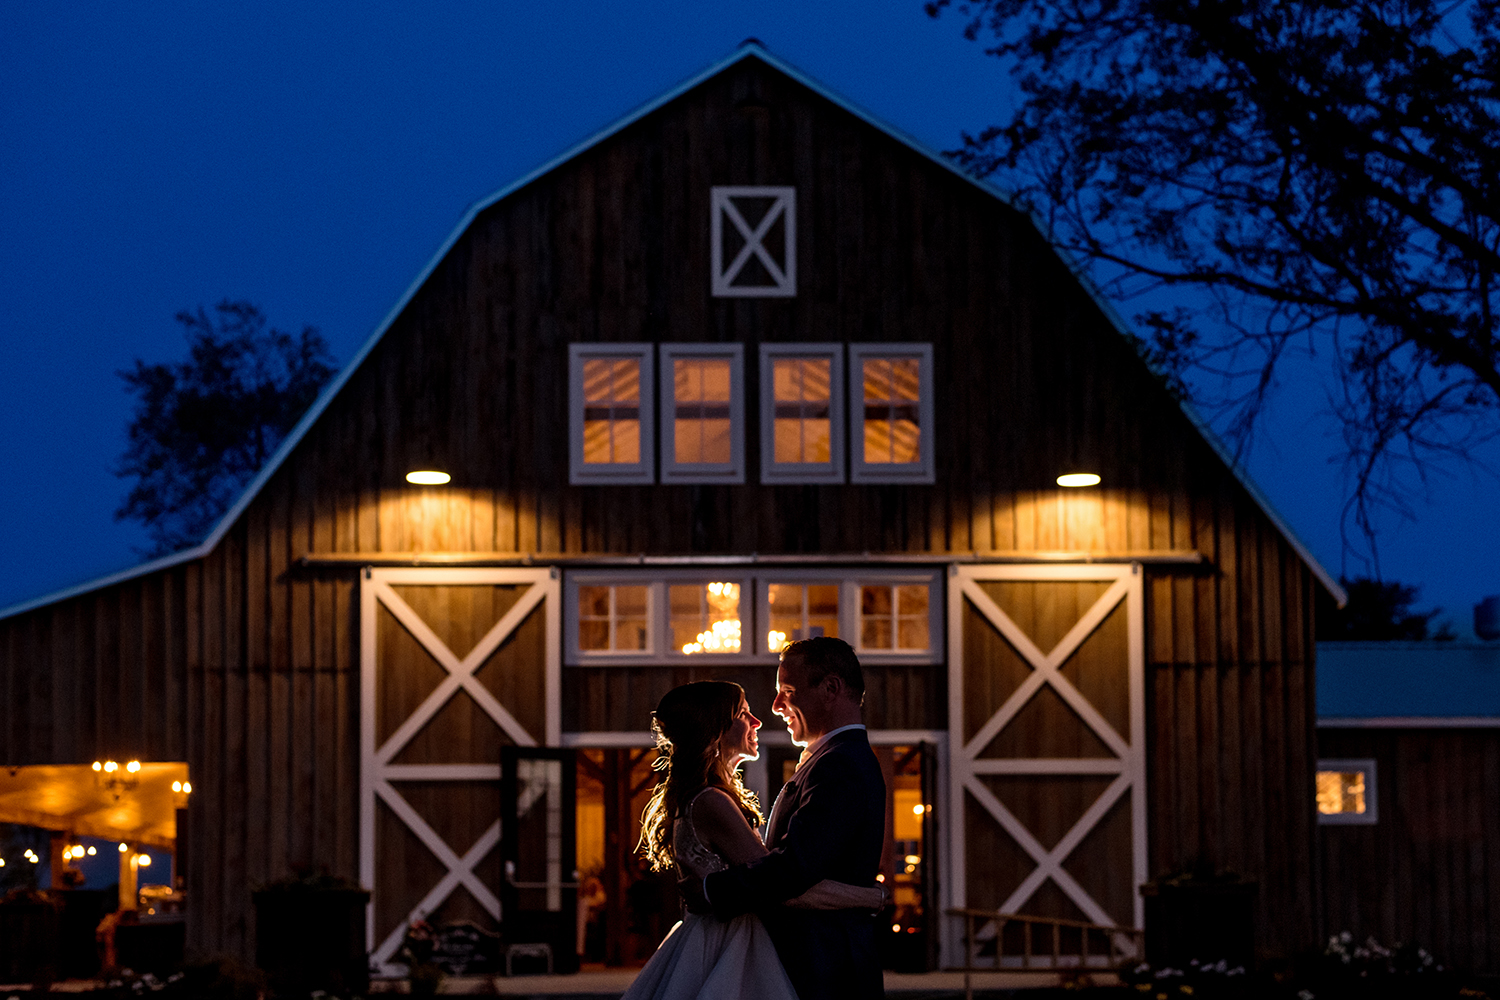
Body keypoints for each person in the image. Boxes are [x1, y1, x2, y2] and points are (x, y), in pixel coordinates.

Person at [623, 679, 883, 1000]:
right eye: (744, 713)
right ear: (715, 729)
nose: (757, 721)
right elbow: (778, 888)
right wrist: (867, 897)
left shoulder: (705, 798)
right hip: (727, 947)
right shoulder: (711, 802)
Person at [698, 637, 887, 1000]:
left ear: (831, 688)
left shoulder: (839, 765)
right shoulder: (829, 760)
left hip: (826, 967)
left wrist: (710, 889)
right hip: (816, 960)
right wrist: (870, 897)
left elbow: (794, 870)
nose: (776, 706)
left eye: (787, 690)